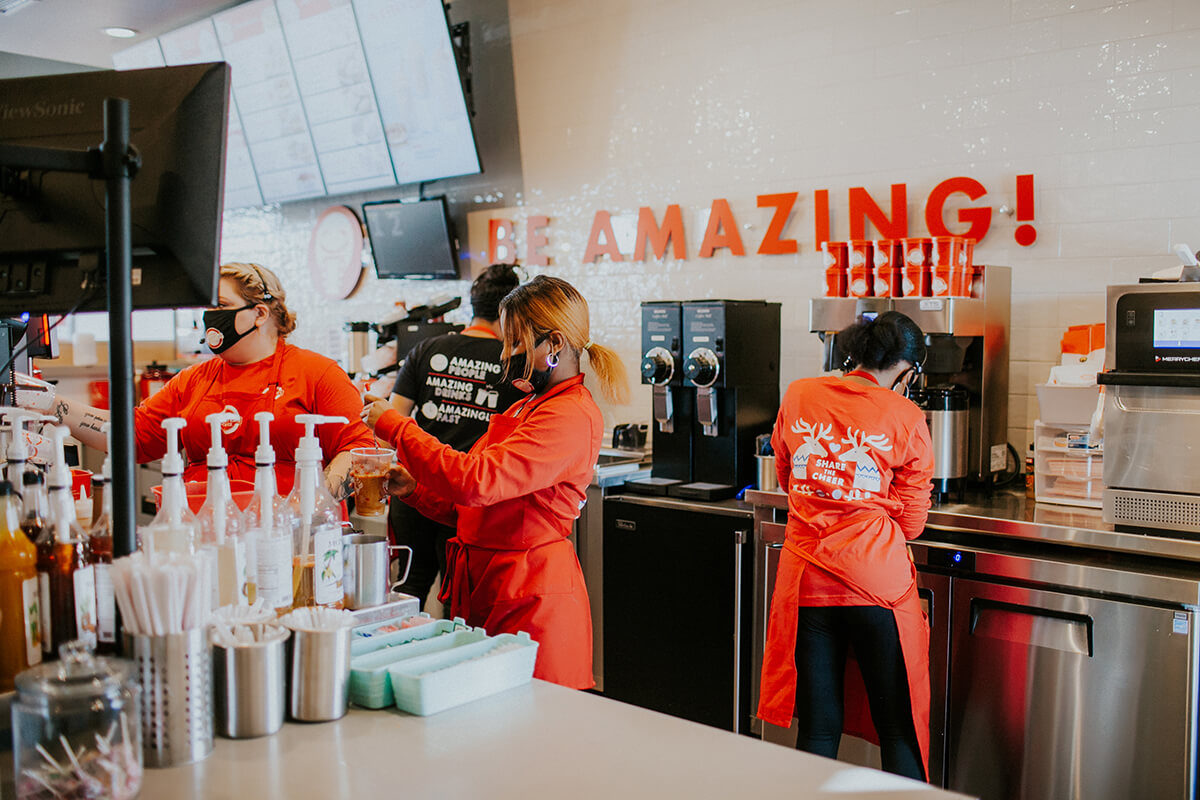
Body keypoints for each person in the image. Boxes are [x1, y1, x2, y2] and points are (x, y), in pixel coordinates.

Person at [362, 275, 628, 689]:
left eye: (515, 342)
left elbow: (477, 482)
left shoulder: (570, 415)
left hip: (530, 599)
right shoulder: (526, 405)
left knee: (530, 732)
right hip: (487, 589)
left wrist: (397, 428)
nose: (505, 354)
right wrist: (413, 490)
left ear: (554, 344)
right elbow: (470, 505)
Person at [757, 310, 934, 781]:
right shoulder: (906, 415)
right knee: (898, 730)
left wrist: (834, 492)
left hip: (808, 584)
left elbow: (790, 474)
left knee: (818, 729)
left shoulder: (799, 394)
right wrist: (873, 501)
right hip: (876, 586)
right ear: (905, 371)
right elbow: (913, 522)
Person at [44, 262, 375, 496]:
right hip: (207, 532)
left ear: (259, 314)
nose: (209, 316)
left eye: (221, 305)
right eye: (207, 307)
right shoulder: (193, 381)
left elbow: (360, 449)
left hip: (295, 541)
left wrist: (315, 503)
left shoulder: (318, 373)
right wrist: (47, 402)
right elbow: (133, 436)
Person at [386, 263, 525, 609]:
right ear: (512, 313)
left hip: (413, 486)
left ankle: (398, 657)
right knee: (459, 594)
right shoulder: (515, 365)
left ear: (473, 305)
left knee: (410, 587)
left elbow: (392, 419)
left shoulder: (425, 350)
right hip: (468, 498)